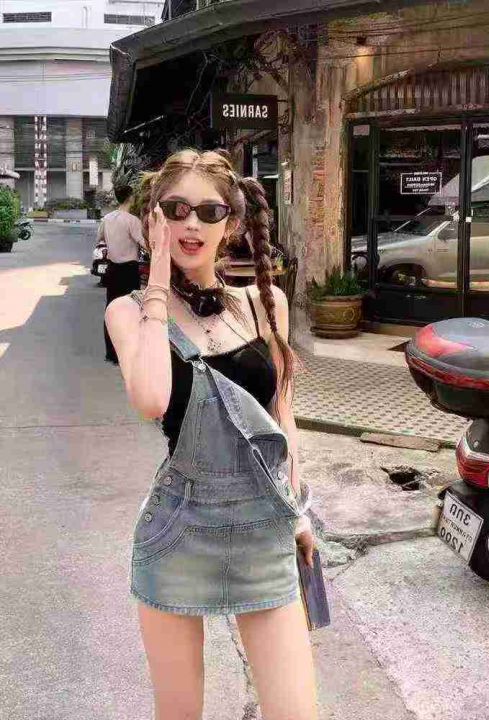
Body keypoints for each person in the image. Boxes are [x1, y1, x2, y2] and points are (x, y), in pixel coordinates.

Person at [104, 149, 318, 720]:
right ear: (154, 218)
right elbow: (151, 399)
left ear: (233, 222)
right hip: (179, 533)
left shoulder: (264, 303)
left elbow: (283, 419)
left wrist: (298, 511)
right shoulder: (129, 313)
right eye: (175, 209)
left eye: (208, 211)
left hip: (263, 530)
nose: (191, 224)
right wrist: (156, 278)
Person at [98, 184, 145, 364]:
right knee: (130, 311)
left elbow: (99, 239)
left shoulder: (107, 218)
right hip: (129, 270)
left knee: (111, 310)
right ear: (131, 197)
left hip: (112, 270)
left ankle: (111, 353)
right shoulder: (132, 221)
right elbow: (145, 243)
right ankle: (127, 353)